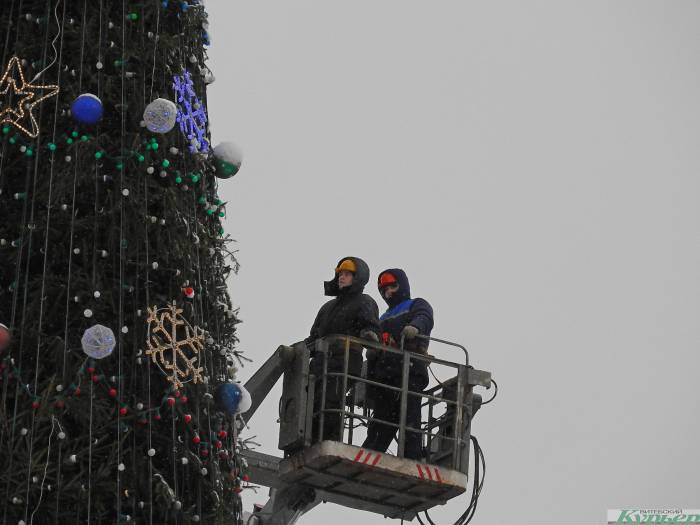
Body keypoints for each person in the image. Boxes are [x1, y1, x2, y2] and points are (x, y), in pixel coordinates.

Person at [306, 256, 381, 442]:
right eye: (340, 273)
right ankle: (311, 439)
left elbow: (370, 325)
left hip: (345, 359)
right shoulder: (328, 307)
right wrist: (300, 348)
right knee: (310, 401)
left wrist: (369, 334)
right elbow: (315, 337)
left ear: (358, 278)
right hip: (321, 362)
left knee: (330, 400)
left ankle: (329, 439)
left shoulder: (364, 301)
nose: (341, 277)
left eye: (347, 274)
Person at [362, 268, 434, 460]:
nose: (389, 293)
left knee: (410, 417)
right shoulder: (382, 317)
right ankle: (371, 453)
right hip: (385, 375)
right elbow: (376, 337)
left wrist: (415, 327)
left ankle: (412, 456)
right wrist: (373, 345)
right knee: (381, 420)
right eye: (384, 290)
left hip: (409, 370)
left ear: (403, 285)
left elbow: (425, 317)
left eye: (393, 287)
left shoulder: (416, 304)